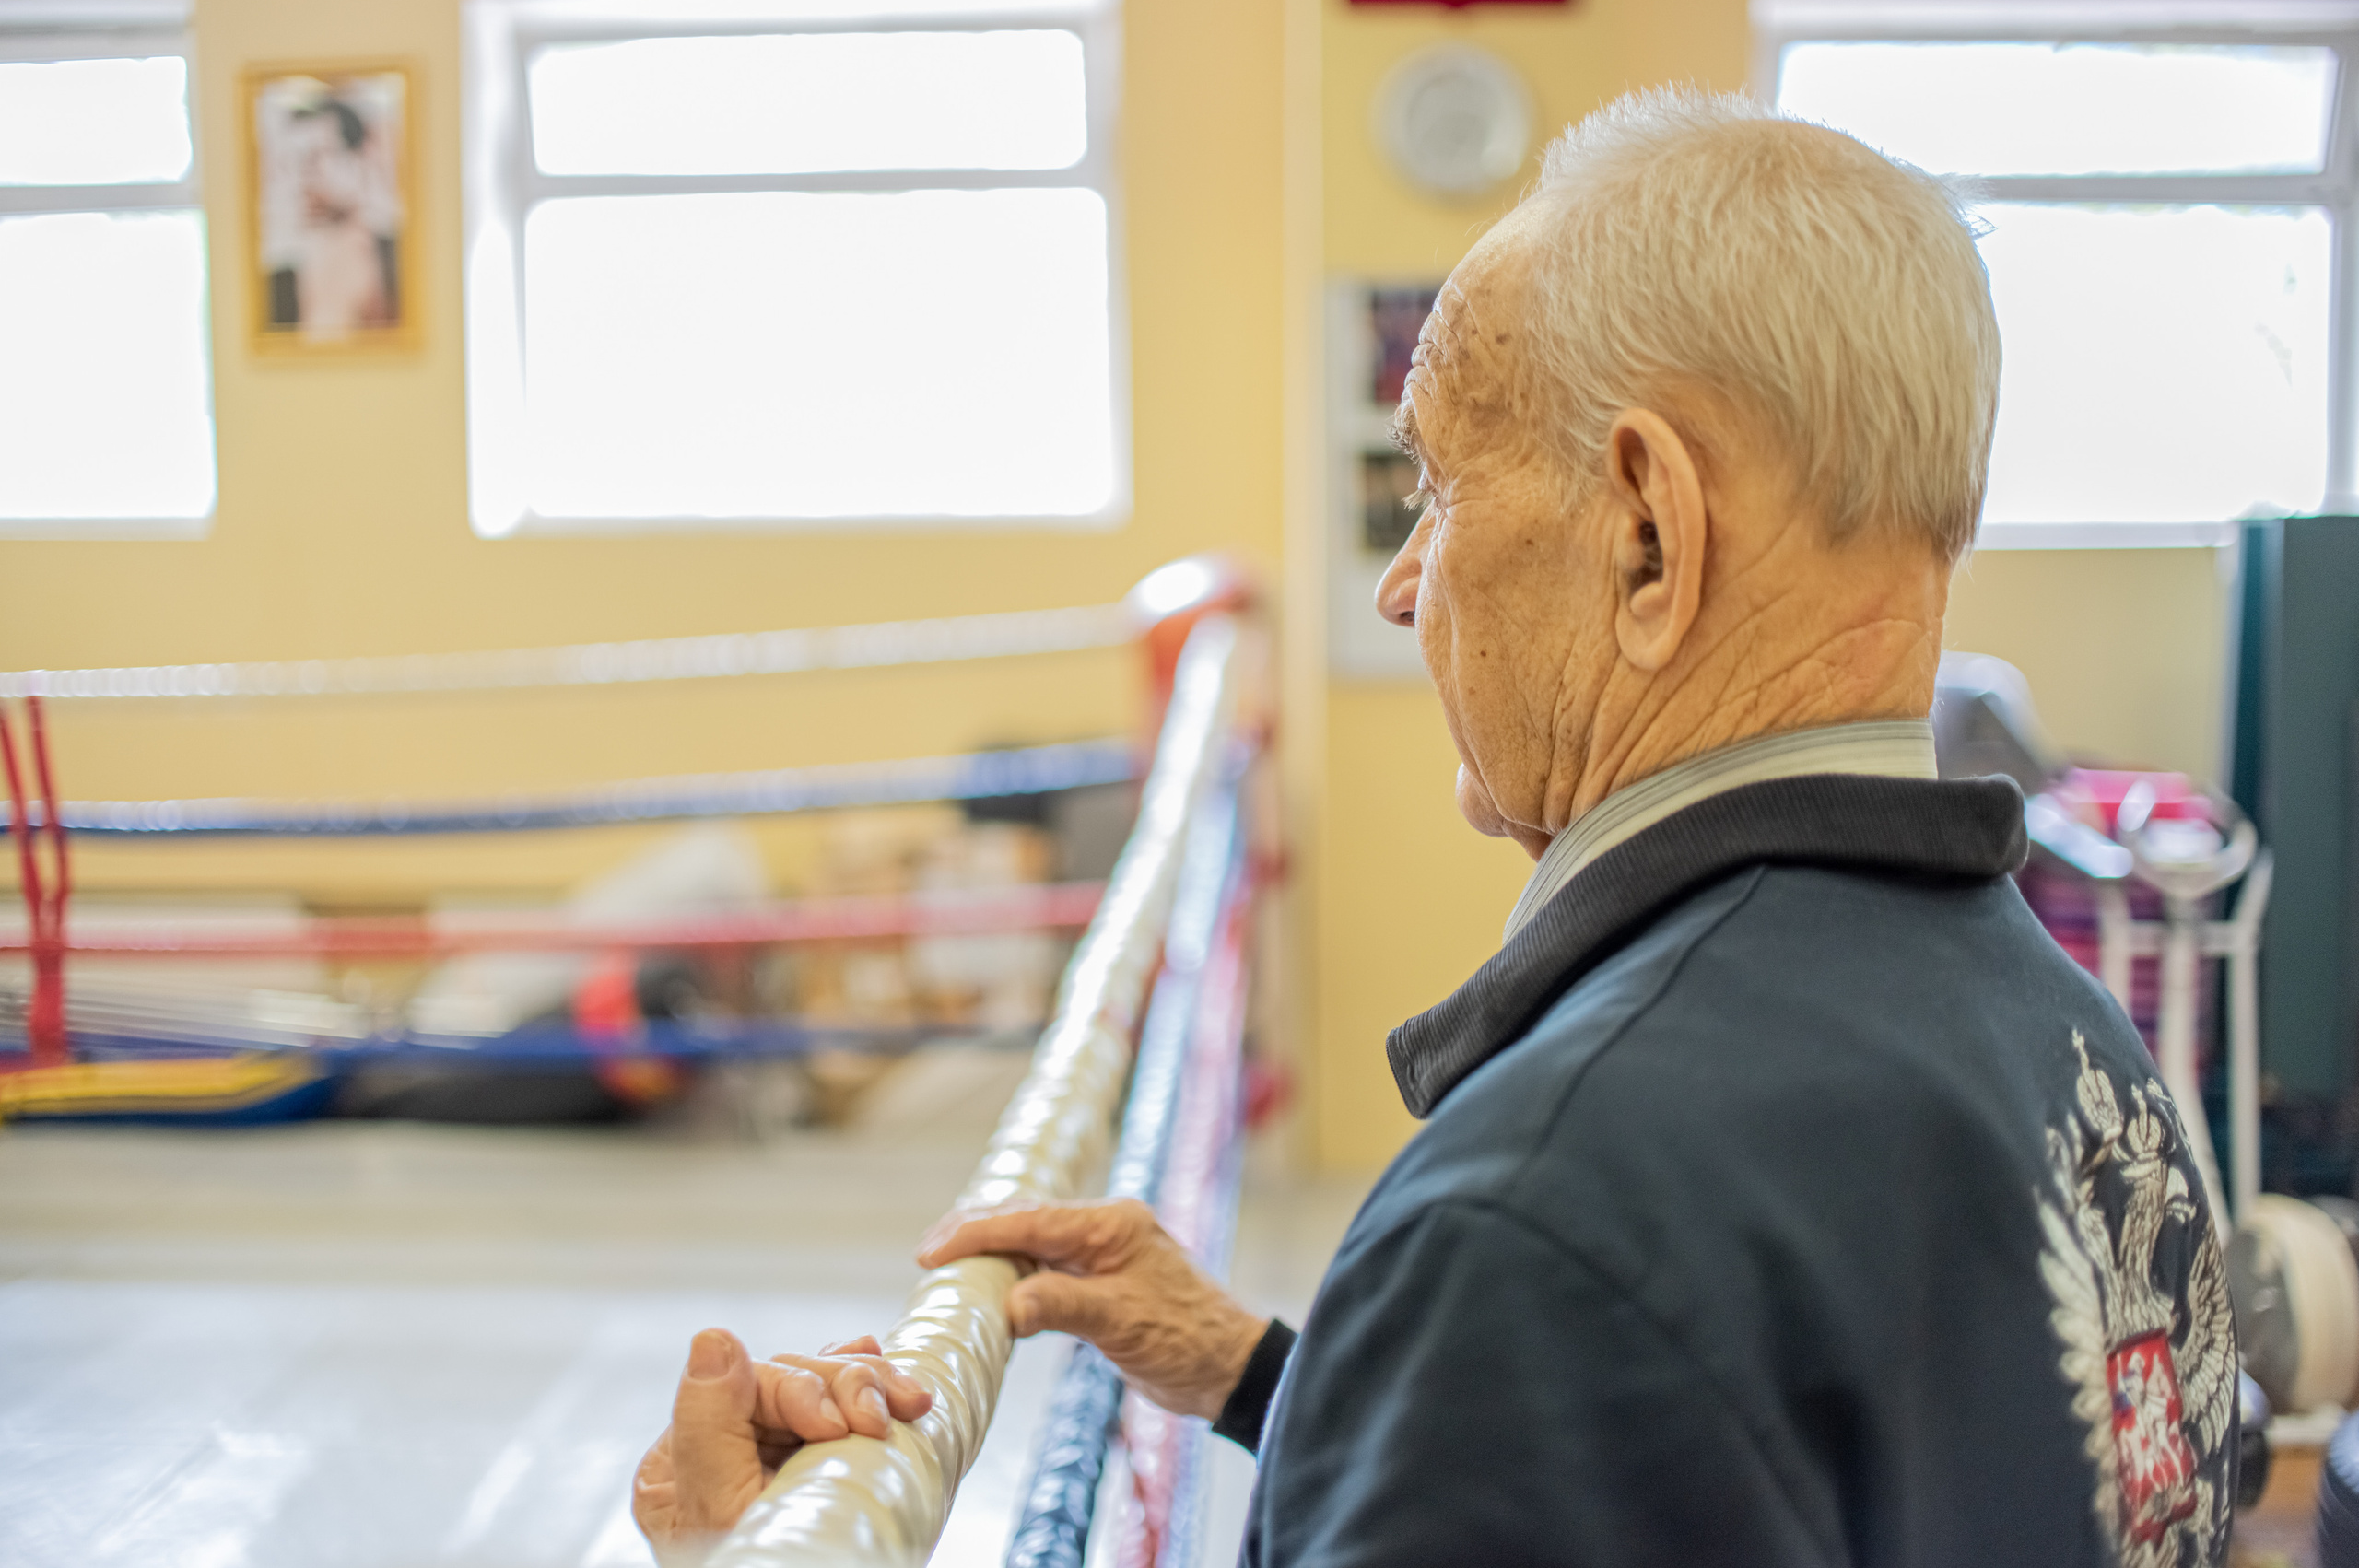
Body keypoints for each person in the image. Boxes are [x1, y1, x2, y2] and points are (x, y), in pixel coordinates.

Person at [635, 88, 2236, 1566]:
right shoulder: (2082, 1055)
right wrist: (1303, 1383)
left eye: (1438, 486)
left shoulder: (1551, 1220)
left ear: (1649, 540)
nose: (1406, 581)